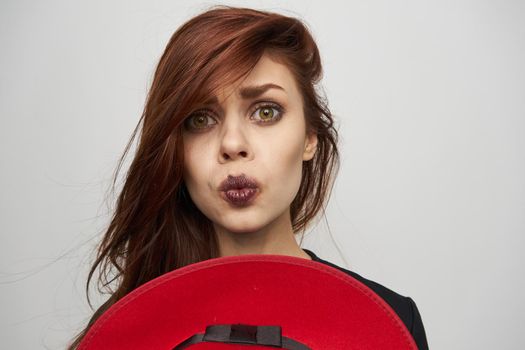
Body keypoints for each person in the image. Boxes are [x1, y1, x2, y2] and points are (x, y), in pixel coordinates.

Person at [68, 5, 428, 349]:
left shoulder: (392, 321)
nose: (232, 144)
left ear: (309, 137)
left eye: (266, 111)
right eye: (200, 119)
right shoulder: (125, 327)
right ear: (176, 150)